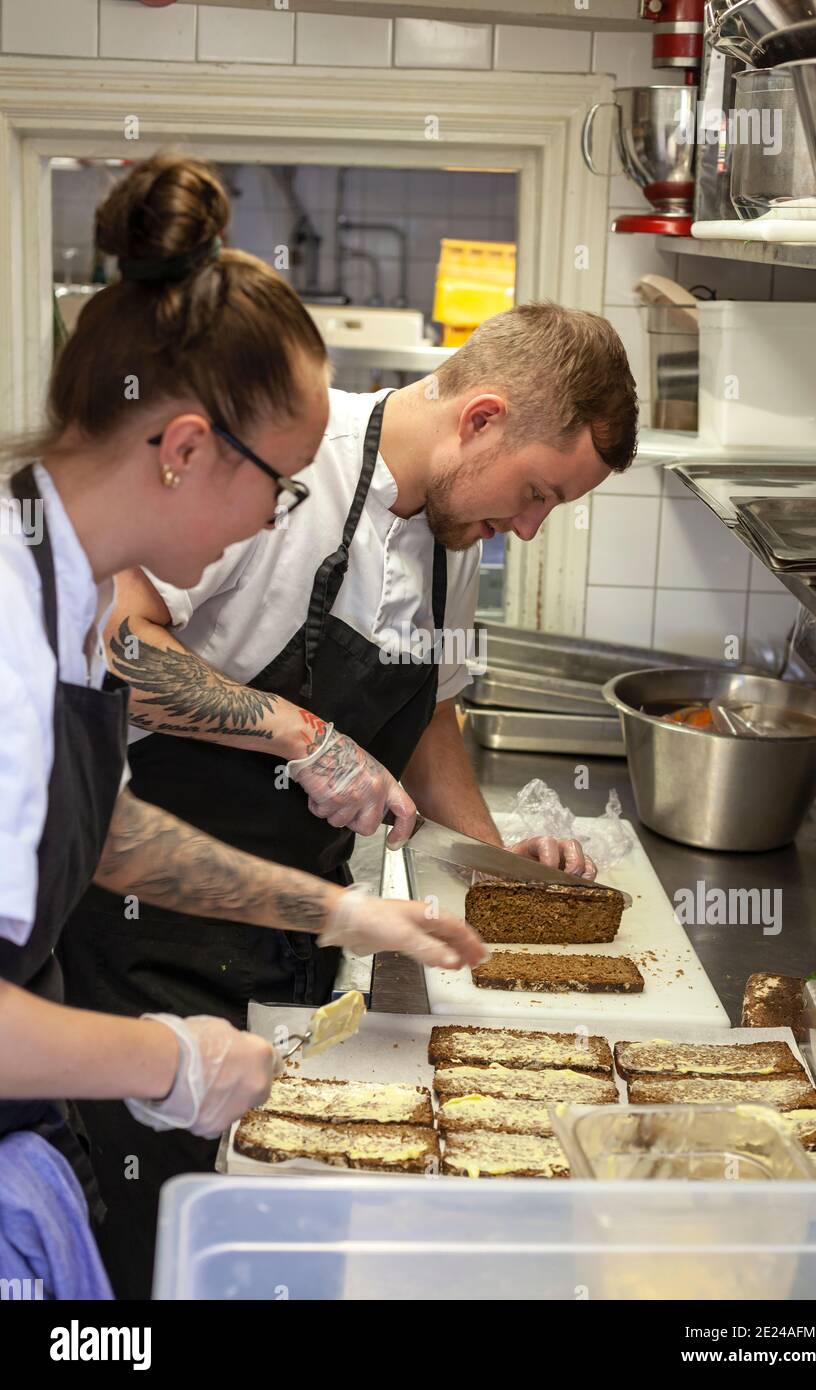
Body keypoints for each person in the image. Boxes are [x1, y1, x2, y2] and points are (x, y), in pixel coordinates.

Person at [62, 296, 638, 1297]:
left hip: (294, 933)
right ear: (480, 419)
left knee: (283, 1228)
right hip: (151, 934)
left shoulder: (457, 533)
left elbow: (428, 719)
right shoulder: (280, 459)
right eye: (537, 491)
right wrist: (301, 734)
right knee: (172, 1240)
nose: (531, 528)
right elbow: (119, 643)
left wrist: (496, 868)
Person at [0, 152, 483, 1298]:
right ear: (181, 449)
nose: (279, 511)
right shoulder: (9, 625)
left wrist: (338, 908)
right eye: (280, 481)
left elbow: (101, 833)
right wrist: (167, 1059)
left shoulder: (64, 588)